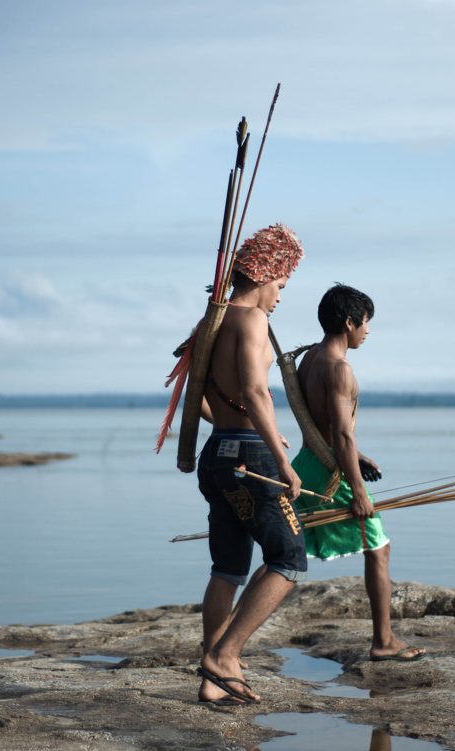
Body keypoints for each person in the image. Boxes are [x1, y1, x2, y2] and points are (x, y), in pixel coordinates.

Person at [195, 223, 305, 705]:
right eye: (281, 285)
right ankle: (225, 656)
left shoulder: (212, 321)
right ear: (265, 275)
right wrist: (281, 457)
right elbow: (258, 391)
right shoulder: (252, 321)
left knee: (228, 567)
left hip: (217, 453)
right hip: (249, 457)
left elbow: (194, 396)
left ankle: (213, 678)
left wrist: (236, 422)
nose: (280, 297)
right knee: (287, 558)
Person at [291, 283, 426, 662]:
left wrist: (358, 456)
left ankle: (224, 641)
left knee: (283, 556)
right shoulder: (339, 369)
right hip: (333, 476)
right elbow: (343, 435)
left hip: (310, 464)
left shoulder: (309, 359)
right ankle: (383, 641)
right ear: (349, 322)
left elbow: (323, 428)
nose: (367, 331)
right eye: (365, 323)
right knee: (379, 549)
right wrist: (359, 490)